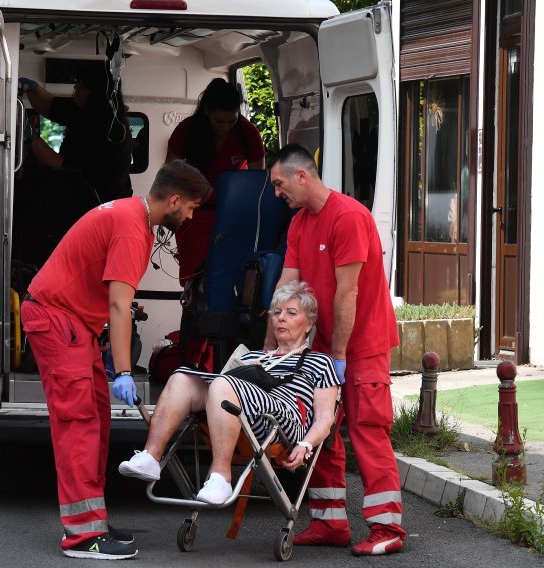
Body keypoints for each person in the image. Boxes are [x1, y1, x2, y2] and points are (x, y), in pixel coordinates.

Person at [20, 160, 211, 560]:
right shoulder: (131, 230)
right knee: (79, 426)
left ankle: (92, 520)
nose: (191, 216)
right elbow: (119, 307)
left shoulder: (128, 216)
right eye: (191, 208)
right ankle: (82, 537)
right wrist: (124, 370)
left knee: (95, 420)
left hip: (70, 323)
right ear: (173, 200)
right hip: (59, 321)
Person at [267, 144, 404, 556]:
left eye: (279, 184)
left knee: (368, 431)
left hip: (361, 345)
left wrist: (339, 356)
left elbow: (349, 293)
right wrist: (271, 348)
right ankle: (330, 523)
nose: (277, 193)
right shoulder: (299, 225)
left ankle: (388, 529)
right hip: (323, 346)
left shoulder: (348, 217)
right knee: (320, 432)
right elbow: (285, 291)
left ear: (302, 176)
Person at [118, 280, 339, 505]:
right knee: (181, 378)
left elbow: (325, 418)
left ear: (309, 323)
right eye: (277, 312)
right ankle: (151, 456)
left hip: (281, 424)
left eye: (291, 313)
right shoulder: (251, 356)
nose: (281, 318)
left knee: (224, 383)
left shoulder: (319, 362)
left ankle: (221, 477)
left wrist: (306, 444)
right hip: (239, 413)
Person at [167, 78, 266, 285]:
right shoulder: (187, 131)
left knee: (230, 274)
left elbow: (258, 182)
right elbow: (171, 174)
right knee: (194, 275)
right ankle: (192, 313)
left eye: (232, 121)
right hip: (195, 214)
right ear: (207, 112)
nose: (226, 127)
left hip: (233, 215)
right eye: (219, 121)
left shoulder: (249, 134)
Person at [19, 61, 132, 204]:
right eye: (77, 82)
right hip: (87, 198)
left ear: (97, 94)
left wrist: (32, 138)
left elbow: (63, 166)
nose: (75, 87)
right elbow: (50, 105)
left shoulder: (108, 131)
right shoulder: (83, 108)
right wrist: (31, 87)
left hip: (101, 204)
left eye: (82, 86)